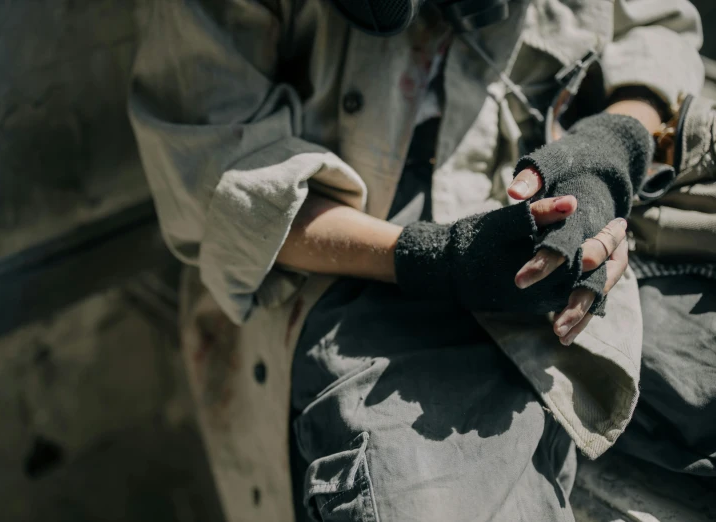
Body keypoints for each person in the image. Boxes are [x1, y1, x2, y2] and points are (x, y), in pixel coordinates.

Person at [128, 1, 705, 520]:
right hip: (349, 269)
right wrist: (434, 258)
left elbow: (654, 26)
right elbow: (214, 175)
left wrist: (611, 147)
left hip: (559, 195)